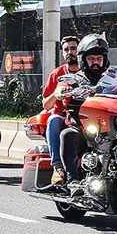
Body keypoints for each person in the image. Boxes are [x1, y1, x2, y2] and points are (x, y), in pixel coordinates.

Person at [58, 34, 110, 196]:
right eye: (91, 58)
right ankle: (72, 180)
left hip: (108, 128)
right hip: (83, 127)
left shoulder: (111, 78)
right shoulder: (76, 78)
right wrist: (63, 91)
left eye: (99, 58)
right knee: (68, 135)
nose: (96, 62)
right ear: (83, 60)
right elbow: (60, 89)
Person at [42, 35, 81, 184]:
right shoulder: (56, 74)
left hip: (84, 115)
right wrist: (56, 94)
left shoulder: (89, 71)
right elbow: (46, 104)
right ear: (63, 53)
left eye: (73, 48)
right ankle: (58, 168)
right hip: (62, 115)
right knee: (53, 121)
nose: (70, 52)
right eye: (66, 50)